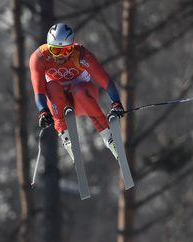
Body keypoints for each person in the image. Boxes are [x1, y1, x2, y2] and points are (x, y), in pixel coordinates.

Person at [29, 23, 125, 160]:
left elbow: (105, 81)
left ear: (72, 46)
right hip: (60, 104)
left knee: (78, 89)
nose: (61, 56)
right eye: (56, 51)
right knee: (52, 86)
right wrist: (43, 111)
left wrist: (116, 102)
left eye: (66, 50)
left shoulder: (81, 55)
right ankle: (66, 138)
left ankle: (109, 138)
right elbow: (38, 90)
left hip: (84, 99)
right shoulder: (39, 57)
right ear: (49, 48)